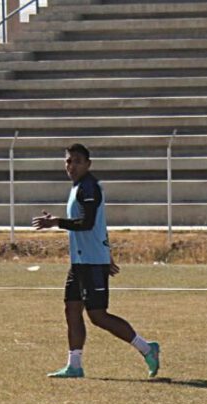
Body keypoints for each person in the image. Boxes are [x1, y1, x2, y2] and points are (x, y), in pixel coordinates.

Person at [32, 143, 160, 378]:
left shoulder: (89, 187)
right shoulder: (77, 187)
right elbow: (100, 225)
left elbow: (88, 223)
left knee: (98, 316)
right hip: (80, 262)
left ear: (88, 164)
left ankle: (147, 348)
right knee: (71, 309)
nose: (72, 165)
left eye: (78, 161)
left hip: (92, 263)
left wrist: (56, 222)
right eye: (69, 161)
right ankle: (75, 364)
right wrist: (107, 250)